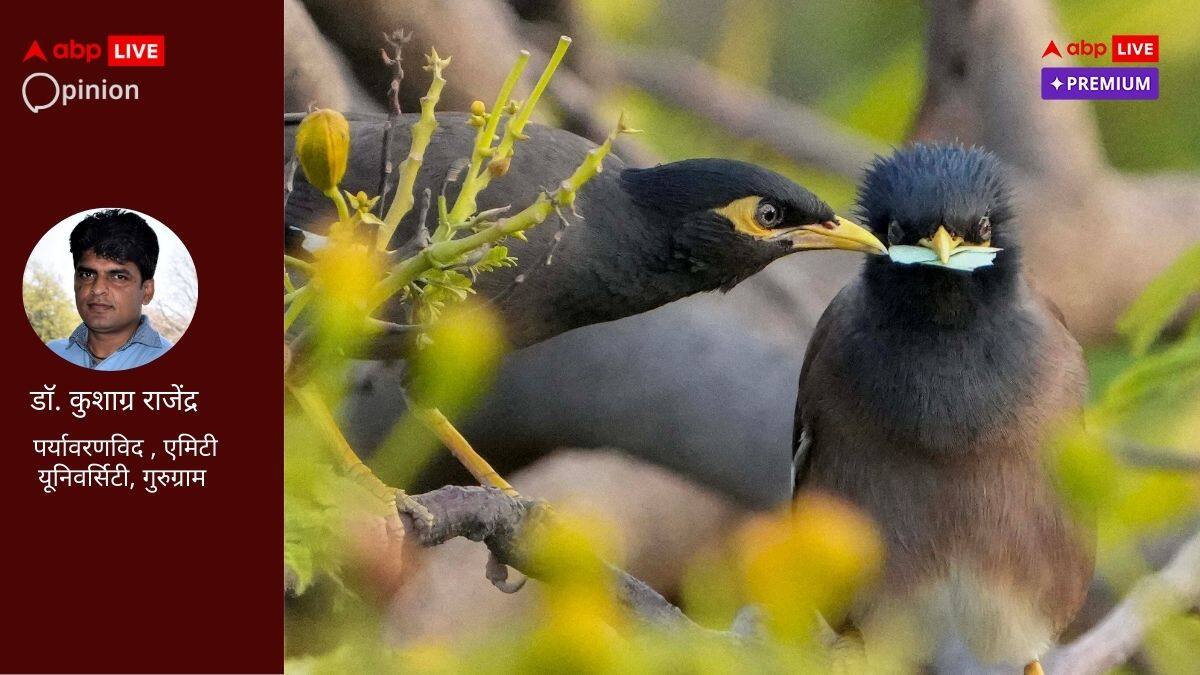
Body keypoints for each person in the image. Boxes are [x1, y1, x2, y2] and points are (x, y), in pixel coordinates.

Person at [47, 209, 172, 370]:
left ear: (147, 291)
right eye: (87, 274)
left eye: (118, 277)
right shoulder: (55, 352)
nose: (97, 289)